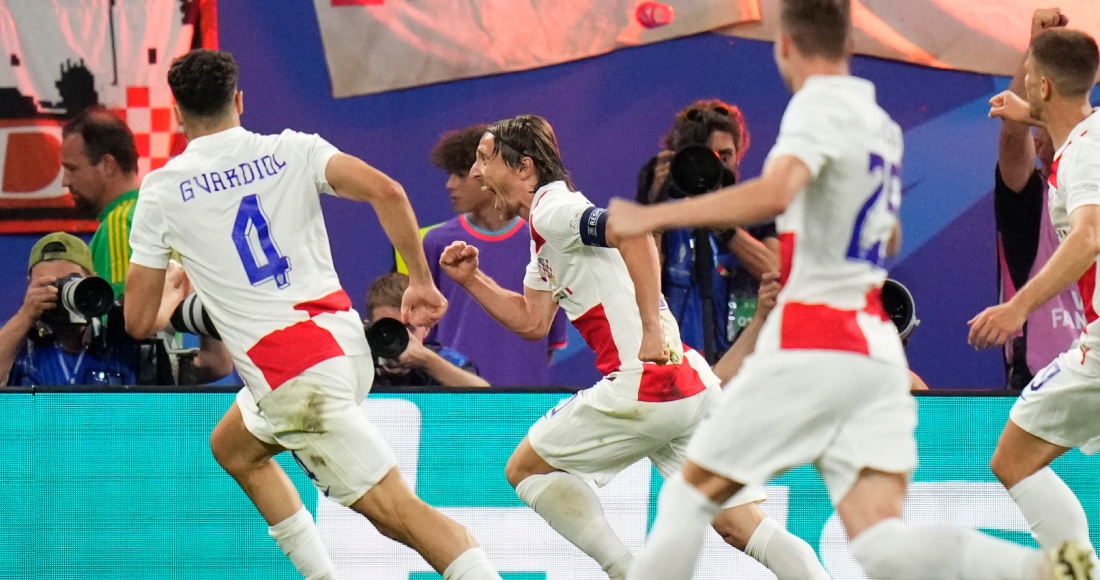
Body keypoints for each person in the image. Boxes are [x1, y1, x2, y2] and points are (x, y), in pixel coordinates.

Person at [607, 1, 1090, 579]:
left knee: (688, 500)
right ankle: (1040, 570)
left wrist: (653, 218)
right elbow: (888, 237)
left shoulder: (816, 107)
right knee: (882, 545)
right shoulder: (879, 125)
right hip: (873, 351)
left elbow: (779, 191)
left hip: (815, 339)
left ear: (784, 44)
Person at [122, 49, 503, 580]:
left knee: (401, 517)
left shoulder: (161, 190)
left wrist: (171, 298)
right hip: (345, 345)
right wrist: (419, 280)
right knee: (233, 447)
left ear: (176, 113)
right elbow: (387, 191)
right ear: (238, 101)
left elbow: (138, 322)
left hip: (293, 375)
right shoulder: (291, 149)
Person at [440, 114, 827, 580]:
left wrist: (649, 329)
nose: (477, 173)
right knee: (744, 528)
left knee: (526, 469)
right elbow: (532, 320)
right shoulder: (546, 229)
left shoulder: (551, 210)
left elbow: (634, 230)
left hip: (648, 384)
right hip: (690, 385)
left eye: (484, 159)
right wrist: (473, 280)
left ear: (524, 167)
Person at [969, 22, 1100, 577]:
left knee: (1014, 459)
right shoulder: (1085, 140)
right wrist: (1034, 115)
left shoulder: (1085, 156)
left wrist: (1017, 307)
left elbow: (1092, 234)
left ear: (1042, 87)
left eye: (1029, 82)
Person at [422, 125, 568, 386]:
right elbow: (425, 335)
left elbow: (549, 336)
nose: (450, 184)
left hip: (525, 400)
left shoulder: (542, 239)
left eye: (460, 174)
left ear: (489, 177)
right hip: (455, 401)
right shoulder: (435, 242)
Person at [637, 100, 778, 359]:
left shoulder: (757, 211)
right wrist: (654, 211)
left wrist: (722, 223)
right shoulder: (665, 215)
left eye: (725, 156)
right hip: (679, 366)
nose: (716, 167)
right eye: (706, 157)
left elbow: (779, 273)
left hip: (744, 363)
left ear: (739, 154)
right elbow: (642, 287)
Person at [994, 8, 1086, 390]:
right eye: (1038, 125)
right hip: (1039, 381)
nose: (1038, 135)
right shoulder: (1031, 201)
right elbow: (1012, 136)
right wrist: (1036, 51)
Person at [0, 232, 139, 386]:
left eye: (70, 282)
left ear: (91, 281)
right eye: (48, 285)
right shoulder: (12, 339)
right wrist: (25, 316)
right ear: (30, 284)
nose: (59, 293)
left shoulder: (115, 344)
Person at [61, 109, 141, 296]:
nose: (65, 181)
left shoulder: (119, 225)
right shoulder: (157, 210)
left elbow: (120, 320)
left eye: (72, 168)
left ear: (107, 165)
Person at [365, 272, 488, 388]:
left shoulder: (446, 360)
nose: (396, 341)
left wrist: (427, 362)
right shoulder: (356, 361)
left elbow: (487, 401)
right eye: (387, 331)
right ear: (370, 328)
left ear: (426, 329)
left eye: (409, 329)